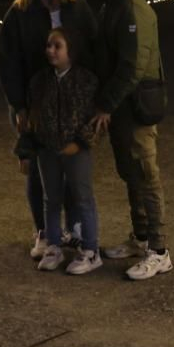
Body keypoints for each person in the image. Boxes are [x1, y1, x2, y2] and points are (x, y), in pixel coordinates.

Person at [0, 0, 97, 259]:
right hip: (35, 103)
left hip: (72, 103)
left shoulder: (77, 7)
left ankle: (76, 231)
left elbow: (93, 52)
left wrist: (93, 99)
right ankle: (44, 231)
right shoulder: (19, 13)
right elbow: (8, 63)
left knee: (72, 169)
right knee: (39, 170)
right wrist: (19, 106)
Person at [90, 0, 170, 280]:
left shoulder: (133, 7)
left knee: (146, 175)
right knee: (131, 173)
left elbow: (133, 66)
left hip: (136, 105)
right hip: (123, 106)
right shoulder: (114, 4)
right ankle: (140, 238)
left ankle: (159, 251)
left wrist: (105, 104)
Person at [25, 28, 102, 274]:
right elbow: (33, 117)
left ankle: (90, 250)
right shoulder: (40, 81)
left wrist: (80, 142)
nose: (51, 50)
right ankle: (54, 246)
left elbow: (93, 118)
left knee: (83, 197)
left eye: (57, 46)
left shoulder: (85, 80)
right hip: (47, 149)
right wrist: (28, 148)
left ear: (71, 50)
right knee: (51, 199)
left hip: (76, 149)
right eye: (49, 45)